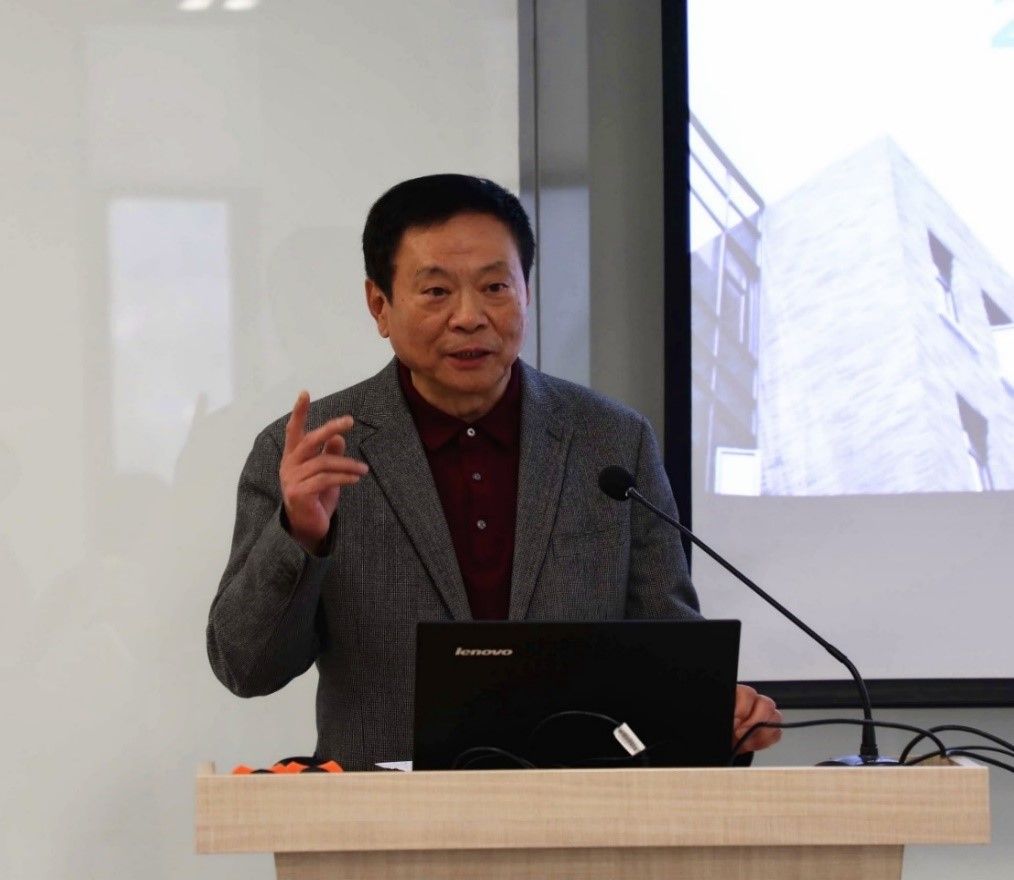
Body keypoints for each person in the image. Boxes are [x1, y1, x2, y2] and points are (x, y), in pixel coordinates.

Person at [207, 174, 781, 770]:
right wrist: (300, 537)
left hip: (578, 809)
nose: (469, 316)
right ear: (380, 305)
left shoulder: (610, 442)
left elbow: (667, 645)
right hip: (385, 817)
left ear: (526, 292)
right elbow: (245, 668)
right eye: (436, 291)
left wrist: (717, 710)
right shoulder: (311, 453)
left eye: (495, 287)